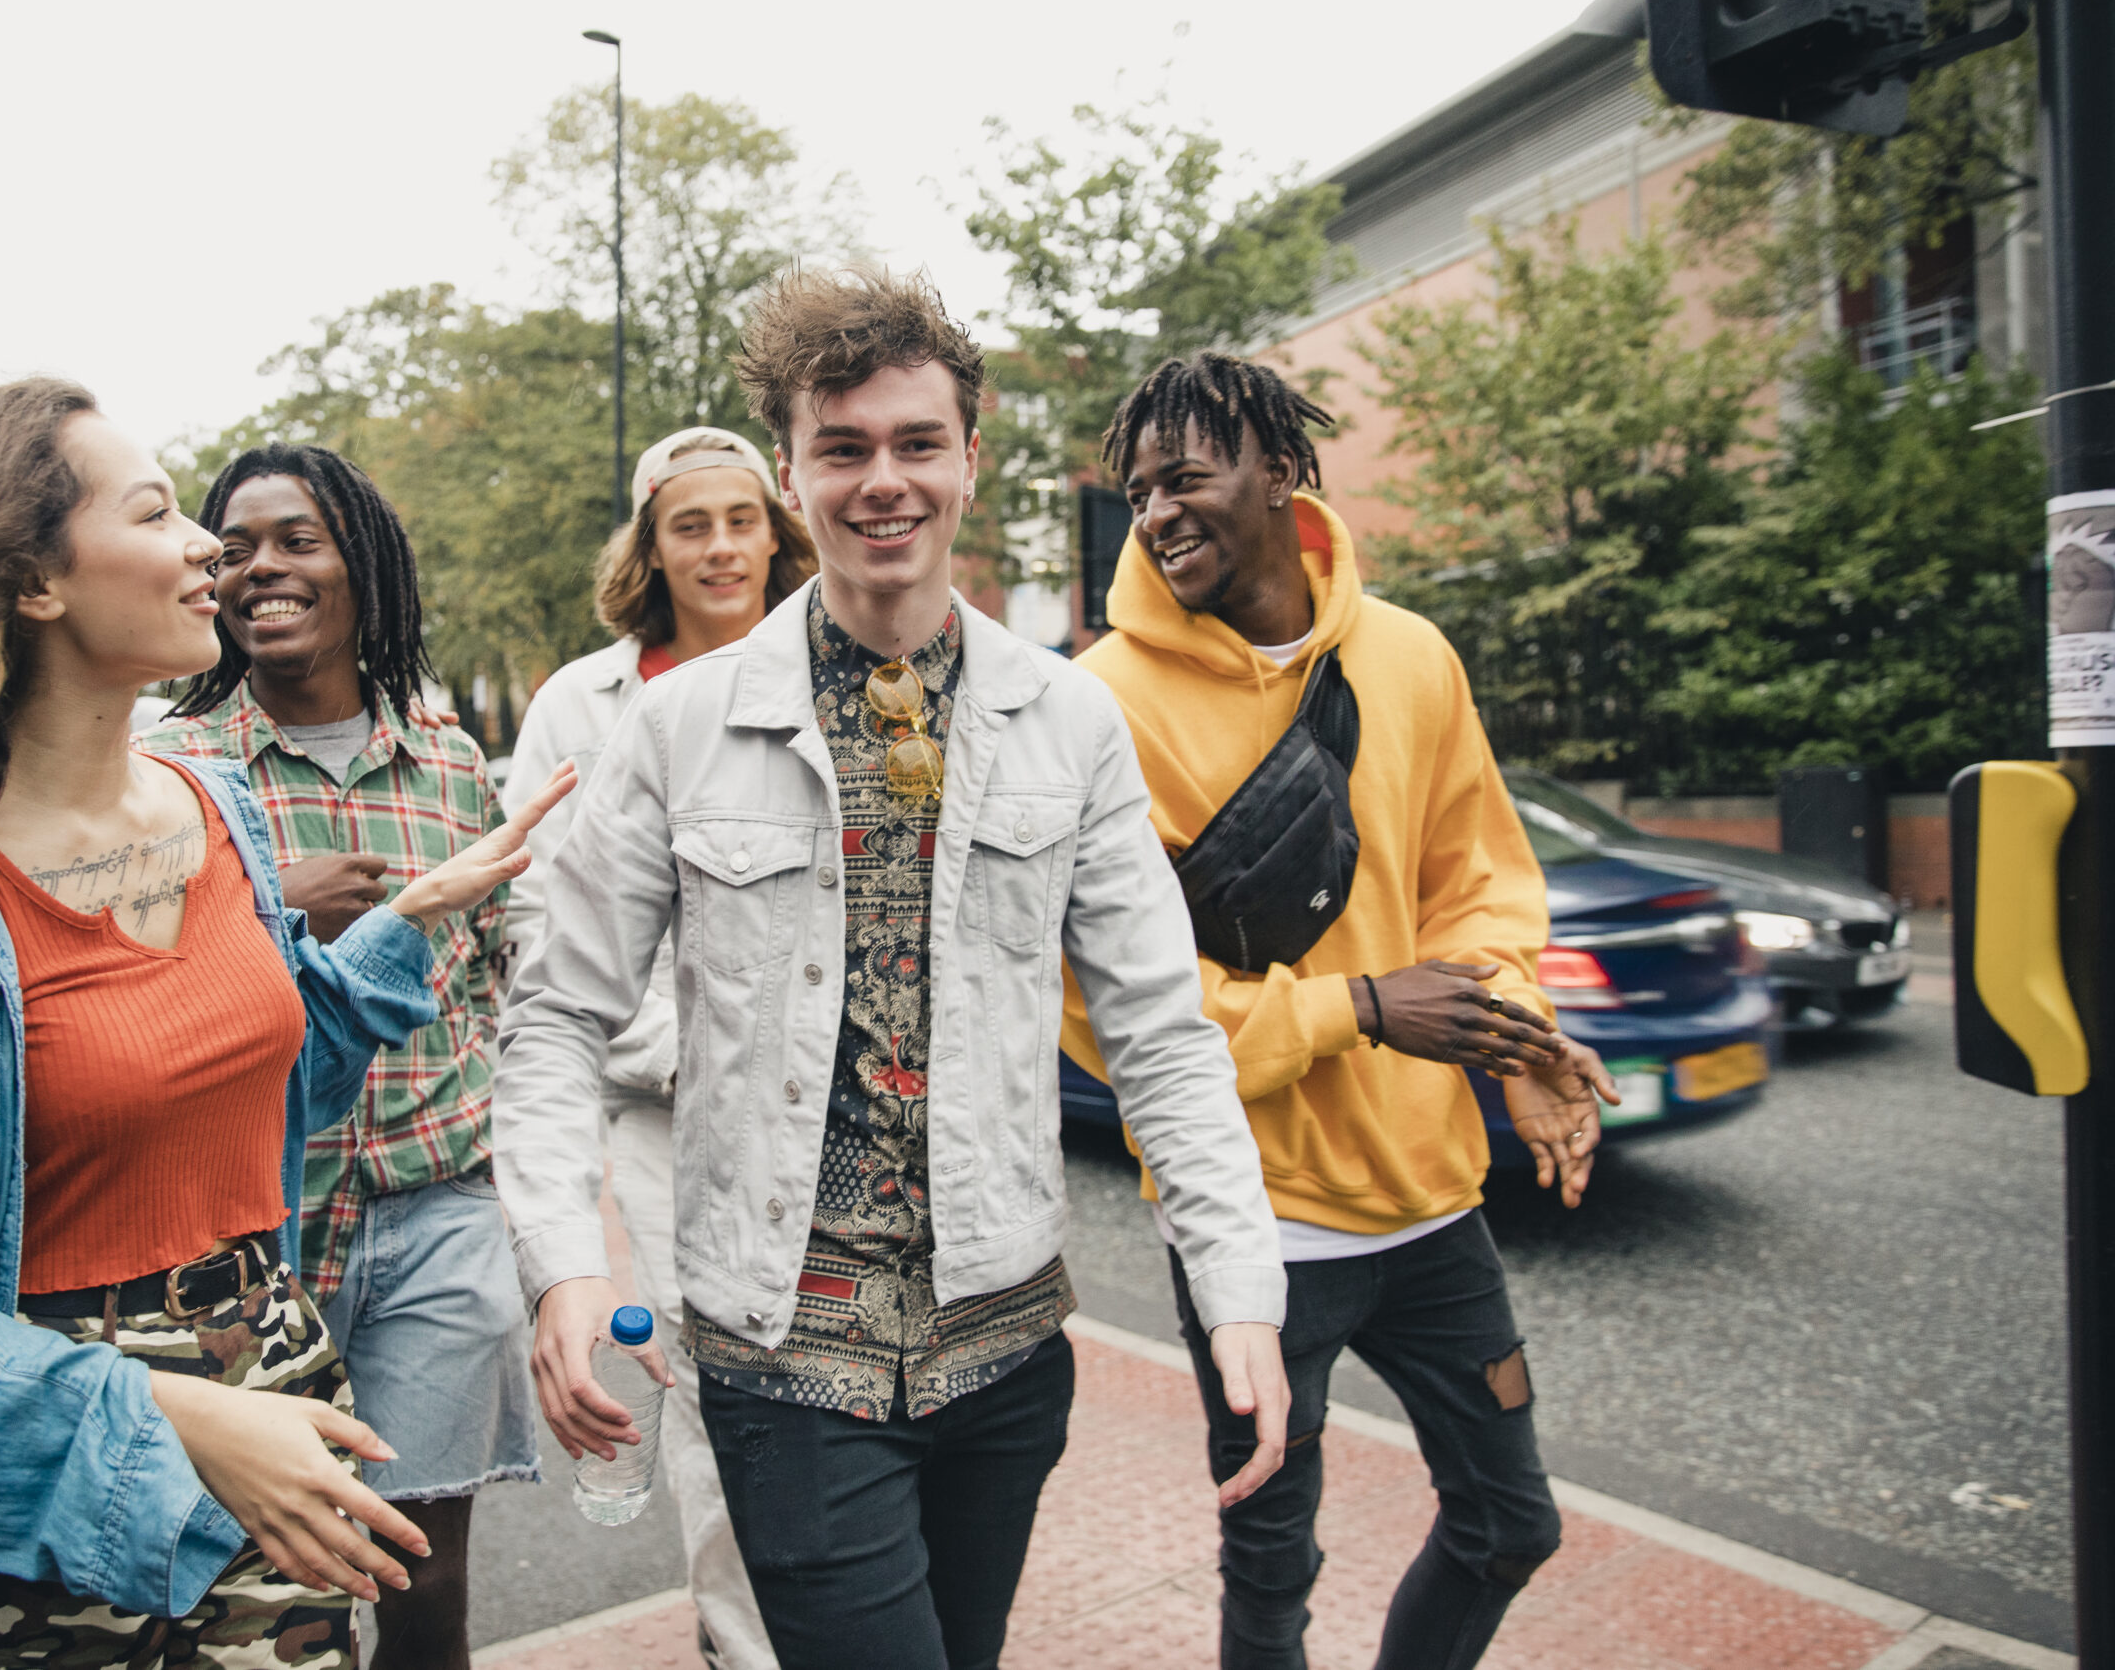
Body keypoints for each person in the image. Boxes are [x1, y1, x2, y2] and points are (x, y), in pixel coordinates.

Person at [0, 379, 572, 1670]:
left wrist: (414, 919)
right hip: (39, 1514)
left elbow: (249, 1100)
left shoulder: (224, 813)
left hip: (278, 1437)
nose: (209, 545)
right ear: (35, 582)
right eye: (159, 511)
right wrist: (195, 1423)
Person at [493, 267, 1291, 1670]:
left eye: (917, 443)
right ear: (794, 472)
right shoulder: (675, 728)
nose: (884, 481)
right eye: (844, 447)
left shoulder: (1072, 721)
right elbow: (557, 1012)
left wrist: (1238, 1284)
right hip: (781, 1349)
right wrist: (562, 1263)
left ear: (971, 459)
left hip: (1005, 1349)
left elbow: (1162, 1028)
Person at [1061, 352, 1620, 1670]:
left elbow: (1476, 884)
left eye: (1188, 476)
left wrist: (1518, 1033)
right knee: (1272, 1576)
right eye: (1139, 490)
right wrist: (1353, 1006)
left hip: (1434, 1207)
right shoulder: (1102, 705)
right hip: (1251, 1225)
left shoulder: (1413, 654)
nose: (1156, 512)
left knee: (1510, 1521)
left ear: (1282, 471)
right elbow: (1100, 1008)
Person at [142, 442, 537, 1670]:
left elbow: (488, 988)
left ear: (361, 564)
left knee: (422, 1576)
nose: (262, 565)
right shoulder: (166, 775)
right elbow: (131, 1008)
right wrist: (265, 902)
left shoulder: (454, 764)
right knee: (256, 1594)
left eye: (297, 539)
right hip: (241, 1241)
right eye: (236, 544)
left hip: (433, 1218)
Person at [500, 425, 815, 1670]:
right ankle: (741, 1647)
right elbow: (543, 918)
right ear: (651, 545)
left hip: (830, 1113)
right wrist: (672, 1041)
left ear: (775, 532)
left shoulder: (833, 669)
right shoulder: (581, 704)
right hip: (668, 1123)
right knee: (715, 1400)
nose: (721, 546)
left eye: (742, 518)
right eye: (691, 524)